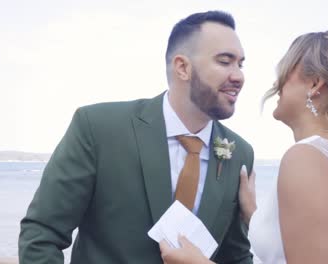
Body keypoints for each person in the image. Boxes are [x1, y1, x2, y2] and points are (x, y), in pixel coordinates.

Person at [18, 10, 255, 264]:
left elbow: (236, 255)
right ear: (182, 67)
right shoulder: (99, 128)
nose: (238, 76)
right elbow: (41, 235)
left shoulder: (239, 153)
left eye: (240, 64)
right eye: (224, 61)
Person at [159, 27, 328, 264]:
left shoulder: (307, 159)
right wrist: (254, 215)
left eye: (286, 73)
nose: (277, 83)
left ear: (315, 84)